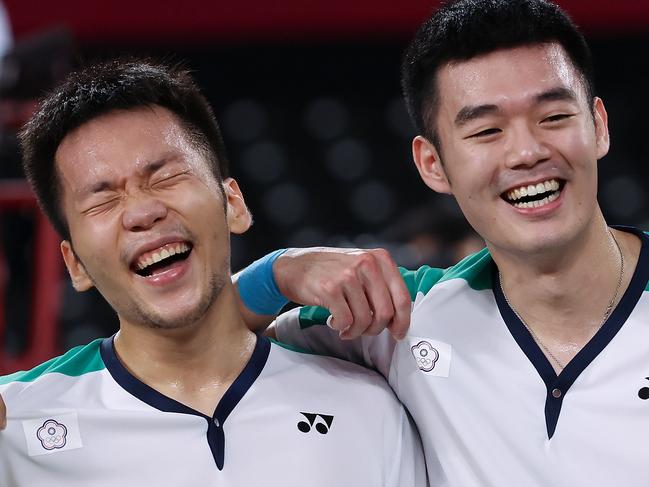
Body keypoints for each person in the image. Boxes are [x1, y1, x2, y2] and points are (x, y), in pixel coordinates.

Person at [231, 0, 649, 485]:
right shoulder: (400, 319)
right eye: (487, 130)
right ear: (433, 164)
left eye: (553, 117)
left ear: (597, 126)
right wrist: (280, 271)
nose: (528, 151)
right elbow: (187, 336)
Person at [0, 59, 426, 486]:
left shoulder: (367, 407)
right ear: (75, 265)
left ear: (233, 205)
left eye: (166, 177)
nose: (143, 212)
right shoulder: (14, 426)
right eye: (102, 201)